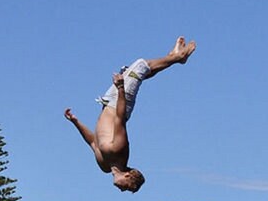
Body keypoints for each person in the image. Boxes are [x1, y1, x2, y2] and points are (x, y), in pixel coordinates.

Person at [63, 36, 197, 193]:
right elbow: (120, 119)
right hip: (119, 103)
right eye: (126, 187)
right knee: (140, 66)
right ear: (128, 176)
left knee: (139, 72)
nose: (121, 190)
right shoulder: (119, 151)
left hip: (108, 103)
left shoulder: (105, 167)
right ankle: (177, 57)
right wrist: (120, 88)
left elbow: (92, 142)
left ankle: (174, 57)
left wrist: (75, 122)